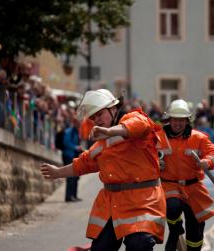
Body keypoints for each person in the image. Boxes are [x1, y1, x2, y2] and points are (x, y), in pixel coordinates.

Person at [41, 89, 166, 251]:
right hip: (112, 204)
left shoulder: (132, 119)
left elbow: (139, 124)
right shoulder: (101, 145)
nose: (97, 120)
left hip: (144, 201)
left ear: (113, 109)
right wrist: (57, 172)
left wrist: (109, 132)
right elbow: (82, 164)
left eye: (100, 115)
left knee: (138, 244)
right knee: (101, 248)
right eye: (93, 118)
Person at [156, 99, 214, 251]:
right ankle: (175, 232)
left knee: (196, 230)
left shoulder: (198, 137)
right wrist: (155, 163)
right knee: (172, 208)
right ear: (169, 119)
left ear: (187, 120)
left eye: (181, 120)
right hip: (170, 185)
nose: (178, 123)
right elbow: (146, 156)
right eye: (175, 119)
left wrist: (207, 162)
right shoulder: (158, 137)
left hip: (194, 188)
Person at [61, 111, 83, 202]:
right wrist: (75, 147)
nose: (80, 124)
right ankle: (68, 196)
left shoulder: (77, 131)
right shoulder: (69, 131)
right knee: (71, 177)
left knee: (76, 177)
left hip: (74, 155)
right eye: (78, 122)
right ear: (74, 122)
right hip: (68, 155)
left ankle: (74, 195)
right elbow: (65, 142)